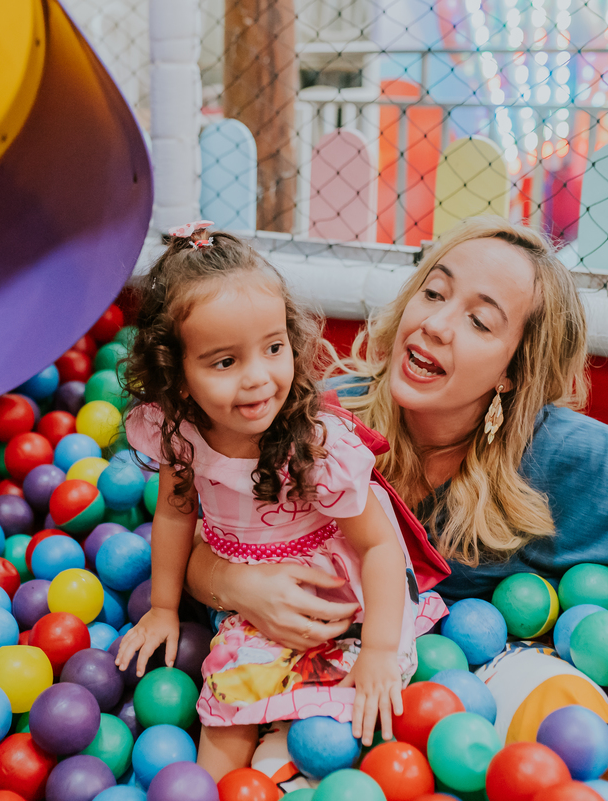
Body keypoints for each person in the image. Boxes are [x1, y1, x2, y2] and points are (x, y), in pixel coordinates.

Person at [184, 215, 608, 782]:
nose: (436, 325)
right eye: (435, 293)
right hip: (312, 682)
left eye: (480, 322)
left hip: (458, 685)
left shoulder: (561, 459)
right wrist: (236, 585)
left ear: (512, 370)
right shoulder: (317, 426)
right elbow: (206, 529)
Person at [112, 221, 446, 780]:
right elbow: (175, 510)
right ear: (177, 374)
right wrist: (164, 607)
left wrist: (380, 651)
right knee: (221, 741)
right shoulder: (179, 431)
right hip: (247, 597)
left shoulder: (314, 445)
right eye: (225, 362)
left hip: (334, 595)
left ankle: (286, 747)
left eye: (273, 348)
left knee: (327, 722)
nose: (259, 379)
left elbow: (383, 548)